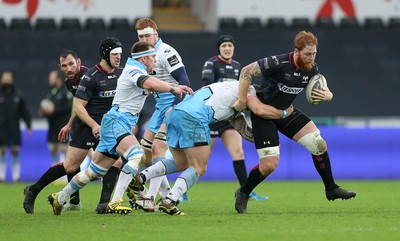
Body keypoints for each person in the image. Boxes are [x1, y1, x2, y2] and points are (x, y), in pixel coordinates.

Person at [47, 41, 193, 215]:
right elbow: (150, 84)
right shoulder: (133, 71)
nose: (155, 59)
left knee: (95, 171)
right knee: (137, 155)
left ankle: (60, 197)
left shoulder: (135, 70)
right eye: (153, 56)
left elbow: (151, 84)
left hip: (114, 122)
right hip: (117, 121)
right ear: (144, 58)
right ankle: (116, 201)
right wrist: (174, 88)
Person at [231, 31, 356, 214]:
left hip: (287, 111)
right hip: (265, 114)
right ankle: (244, 192)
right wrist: (242, 99)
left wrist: (329, 95)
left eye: (314, 53)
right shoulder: (277, 63)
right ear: (296, 51)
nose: (311, 57)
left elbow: (322, 88)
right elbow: (246, 72)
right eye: (307, 54)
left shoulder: (312, 68)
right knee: (269, 165)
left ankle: (331, 188)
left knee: (318, 143)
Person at [133, 80, 294, 215]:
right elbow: (259, 109)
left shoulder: (230, 88)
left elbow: (243, 130)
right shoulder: (250, 92)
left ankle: (141, 178)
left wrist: (267, 143)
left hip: (175, 114)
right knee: (199, 168)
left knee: (181, 162)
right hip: (194, 118)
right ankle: (170, 200)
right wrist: (285, 113)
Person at [24, 38, 123, 214]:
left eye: (71, 64)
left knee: (115, 162)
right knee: (71, 165)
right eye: (64, 66)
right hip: (85, 126)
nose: (68, 69)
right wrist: (70, 124)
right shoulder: (69, 82)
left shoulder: (89, 75)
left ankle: (102, 203)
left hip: (102, 125)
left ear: (78, 62)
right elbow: (79, 106)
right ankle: (34, 190)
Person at [133, 17, 191, 210]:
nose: (144, 39)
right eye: (141, 36)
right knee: (145, 153)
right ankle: (166, 194)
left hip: (173, 106)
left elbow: (184, 81)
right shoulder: (143, 54)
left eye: (148, 35)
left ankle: (149, 197)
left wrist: (173, 107)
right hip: (159, 108)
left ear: (156, 34)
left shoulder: (166, 52)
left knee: (158, 149)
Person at [201, 34, 267, 201]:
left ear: (233, 48)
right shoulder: (212, 63)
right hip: (214, 118)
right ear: (219, 49)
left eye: (230, 46)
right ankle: (183, 191)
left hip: (231, 117)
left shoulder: (239, 67)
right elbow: (207, 85)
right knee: (202, 159)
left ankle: (246, 192)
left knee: (238, 153)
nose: (227, 48)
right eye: (224, 46)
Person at [0, 71, 32, 183]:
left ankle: (16, 176)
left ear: (12, 80)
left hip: (14, 128)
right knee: (2, 150)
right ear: (1, 80)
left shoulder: (18, 95)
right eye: (5, 78)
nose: (7, 80)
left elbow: (25, 112)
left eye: (9, 78)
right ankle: (1, 177)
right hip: (1, 129)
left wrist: (29, 126)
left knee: (15, 150)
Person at [39, 70, 72, 170]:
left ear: (58, 79)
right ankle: (55, 172)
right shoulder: (50, 93)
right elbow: (47, 110)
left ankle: (65, 173)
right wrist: (43, 112)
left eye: (51, 77)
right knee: (53, 149)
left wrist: (54, 110)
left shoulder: (65, 92)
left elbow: (69, 108)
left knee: (65, 150)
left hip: (62, 127)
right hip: (52, 128)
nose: (49, 80)